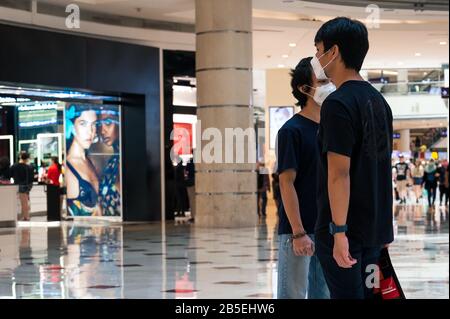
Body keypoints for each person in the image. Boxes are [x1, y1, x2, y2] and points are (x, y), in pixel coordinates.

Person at [312, 17, 394, 299]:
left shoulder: (337, 104)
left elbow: (339, 173)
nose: (316, 57)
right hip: (373, 230)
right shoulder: (380, 102)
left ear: (333, 52)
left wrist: (338, 232)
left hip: (345, 232)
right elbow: (383, 168)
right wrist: (385, 231)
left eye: (318, 49)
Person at [276, 56, 331, 299]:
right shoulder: (291, 131)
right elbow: (286, 183)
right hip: (297, 231)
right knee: (293, 294)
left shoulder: (332, 129)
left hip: (327, 229)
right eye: (321, 81)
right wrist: (298, 232)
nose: (329, 86)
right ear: (304, 88)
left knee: (324, 294)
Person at [65, 105, 101, 216]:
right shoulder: (68, 166)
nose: (90, 131)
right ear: (71, 126)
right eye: (83, 124)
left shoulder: (90, 161)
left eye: (94, 124)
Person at [98, 107, 121, 216]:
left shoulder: (126, 160)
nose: (102, 131)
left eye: (107, 122)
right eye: (100, 125)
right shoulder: (113, 161)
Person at [10, 151, 35, 221]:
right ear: (27, 159)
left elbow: (10, 174)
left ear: (20, 157)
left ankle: (24, 216)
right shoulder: (29, 167)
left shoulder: (14, 166)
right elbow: (31, 179)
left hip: (17, 186)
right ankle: (25, 216)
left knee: (21, 203)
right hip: (26, 186)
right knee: (25, 202)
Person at [185, 156, 195, 223]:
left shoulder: (190, 161)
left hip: (191, 183)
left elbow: (186, 171)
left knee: (192, 199)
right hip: (196, 181)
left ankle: (193, 216)